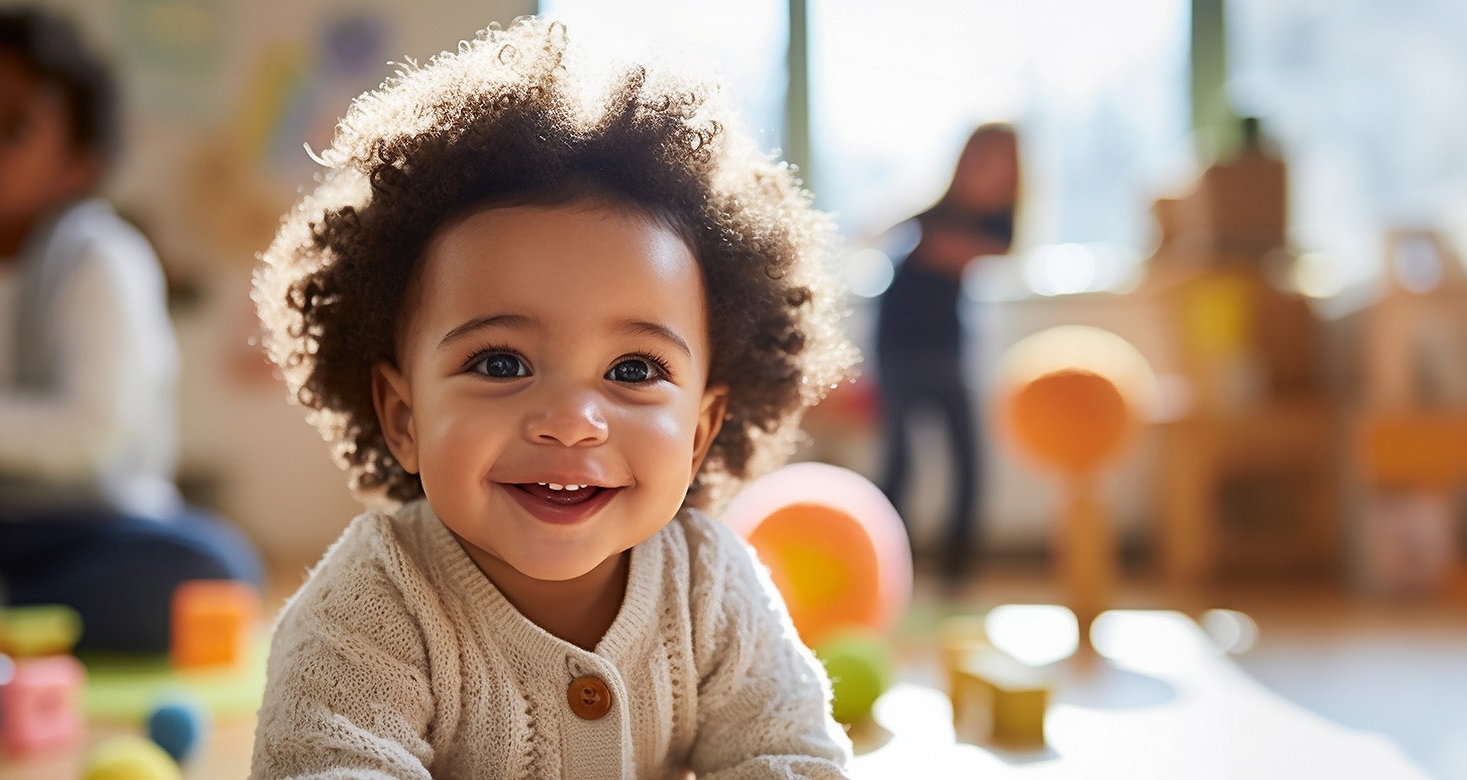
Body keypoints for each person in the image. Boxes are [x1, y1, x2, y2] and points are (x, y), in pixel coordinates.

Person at [246, 17, 857, 777]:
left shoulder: (710, 587)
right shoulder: (372, 605)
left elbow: (793, 756)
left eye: (633, 370)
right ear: (404, 418)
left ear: (700, 431)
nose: (571, 422)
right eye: (501, 363)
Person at [0, 6, 260, 690]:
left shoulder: (104, 261)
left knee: (213, 569)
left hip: (89, 528)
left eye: (10, 128)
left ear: (79, 165)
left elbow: (93, 437)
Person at [873, 124, 1020, 592]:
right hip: (898, 343)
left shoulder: (998, 224)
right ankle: (883, 566)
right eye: (981, 159)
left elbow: (966, 252)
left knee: (968, 461)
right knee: (900, 462)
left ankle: (957, 572)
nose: (987, 171)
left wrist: (943, 246)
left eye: (1000, 163)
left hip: (946, 348)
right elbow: (889, 235)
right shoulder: (936, 213)